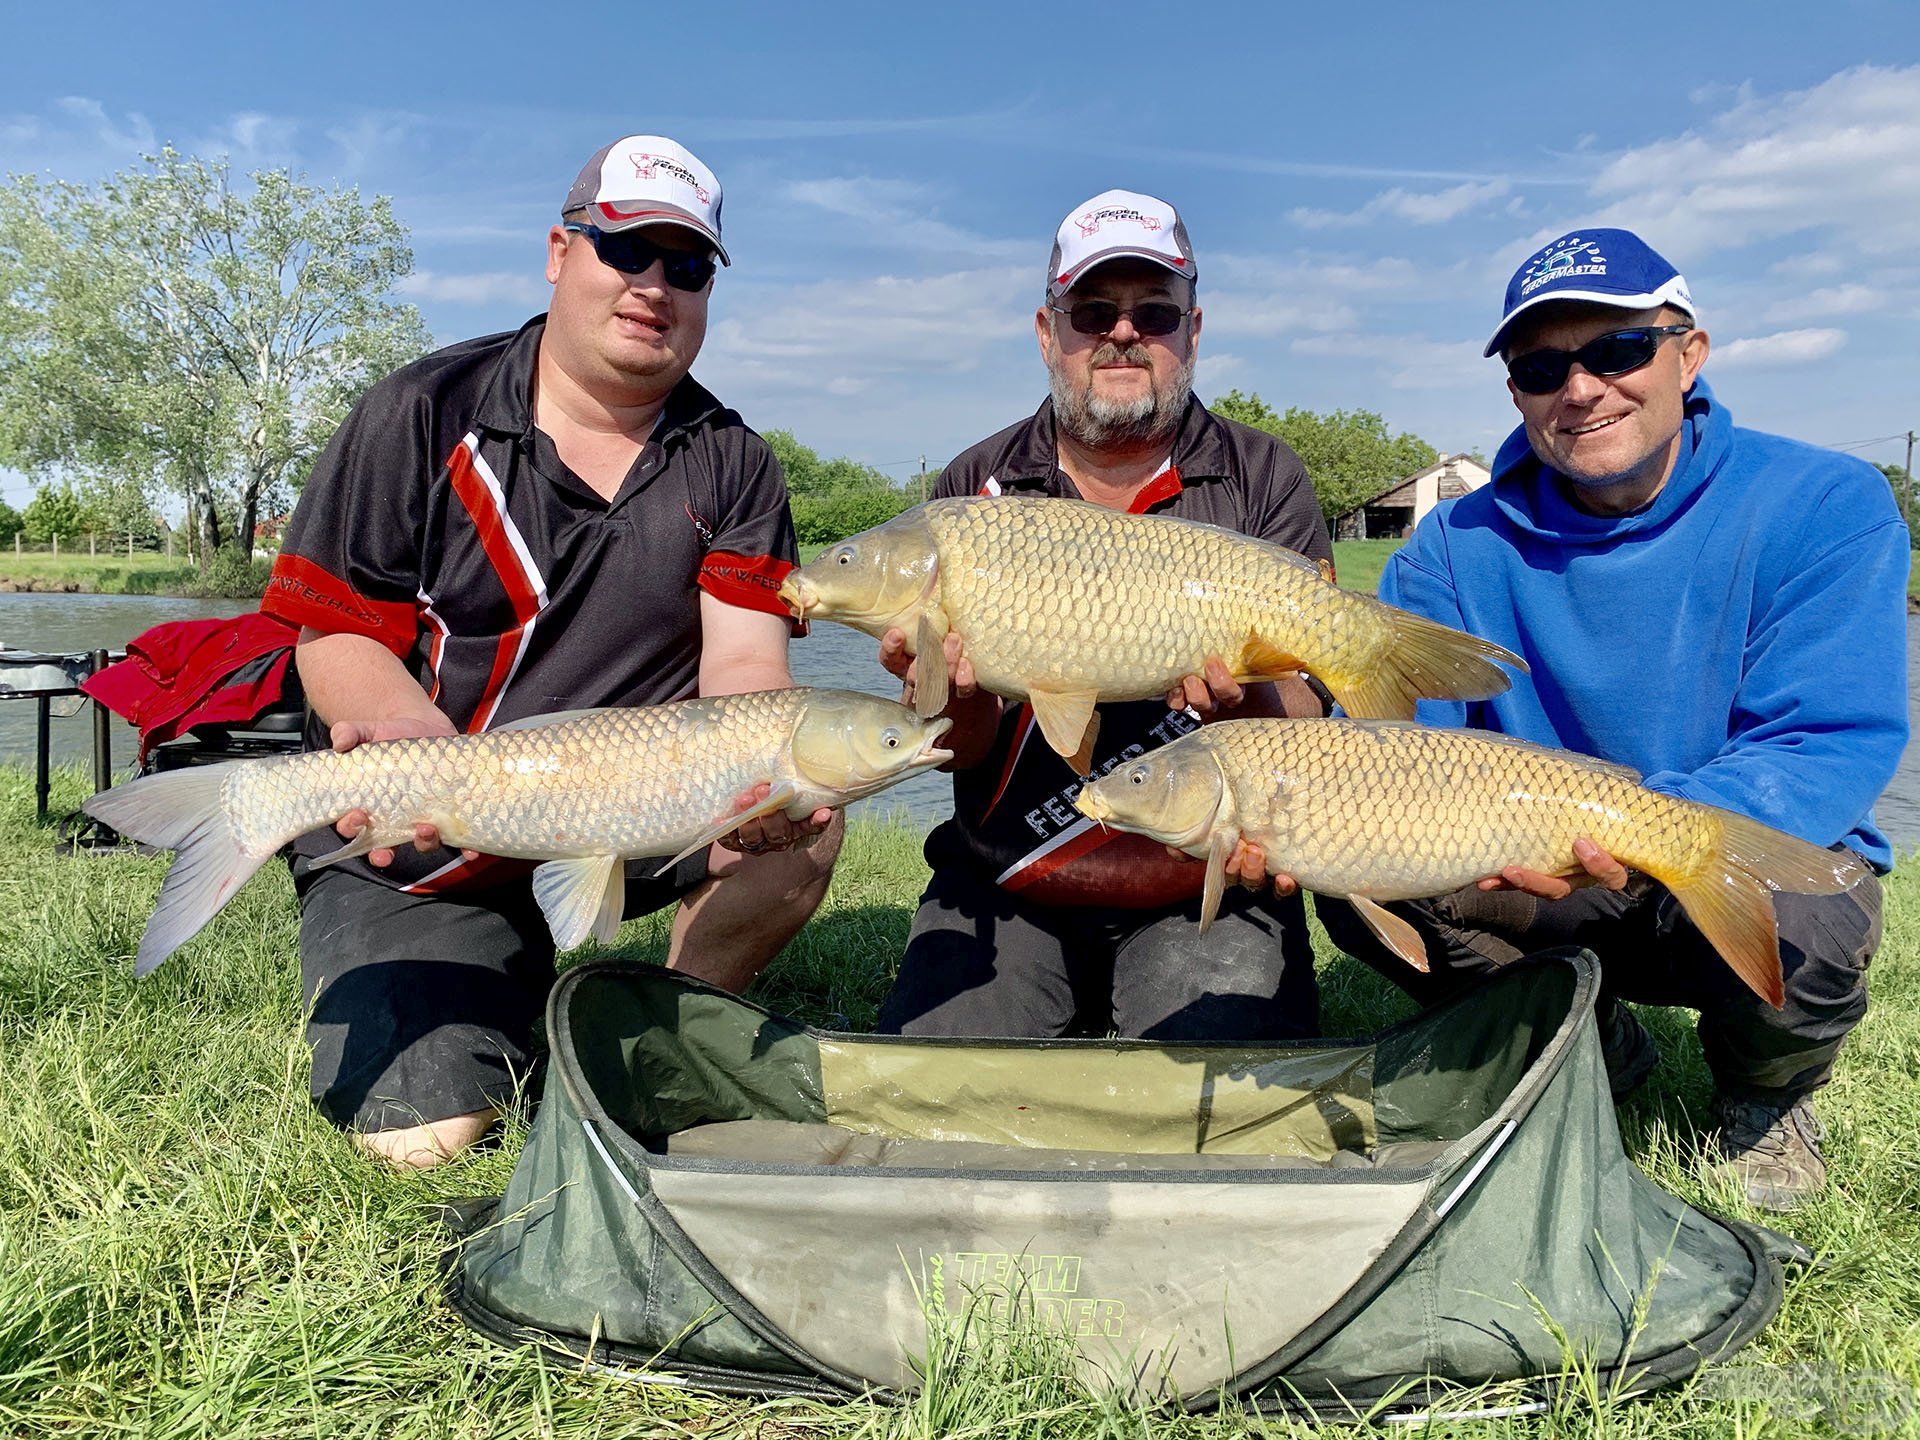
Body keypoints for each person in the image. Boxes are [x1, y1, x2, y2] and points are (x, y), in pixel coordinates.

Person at [1297, 227, 1908, 1210]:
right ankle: (1584, 1042)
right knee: (1360, 865)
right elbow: (1399, 750)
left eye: (1617, 350)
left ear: (1689, 353)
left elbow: (1820, 741)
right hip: (1536, 866)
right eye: (1543, 366)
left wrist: (1636, 823)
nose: (1580, 388)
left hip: (1696, 843)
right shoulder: (1453, 547)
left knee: (1815, 910)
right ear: (1516, 393)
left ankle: (1765, 1093)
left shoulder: (1823, 502)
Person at [261, 136, 840, 1167]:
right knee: (424, 1143)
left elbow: (747, 677)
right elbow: (334, 631)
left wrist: (767, 787)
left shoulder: (736, 465)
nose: (653, 285)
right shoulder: (420, 411)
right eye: (626, 249)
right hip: (426, 844)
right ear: (560, 251)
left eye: (687, 266)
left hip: (634, 814)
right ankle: (486, 974)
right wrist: (403, 738)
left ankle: (661, 1030)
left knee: (805, 819)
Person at [873, 189, 1334, 1043]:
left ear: (1193, 331)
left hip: (1200, 876)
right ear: (1050, 334)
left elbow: (1309, 719)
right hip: (1008, 877)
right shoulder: (976, 488)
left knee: (1212, 1105)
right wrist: (950, 687)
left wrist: (1243, 702)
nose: (1122, 334)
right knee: (944, 1106)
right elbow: (953, 745)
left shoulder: (1264, 476)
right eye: (1092, 312)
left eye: (1153, 312)